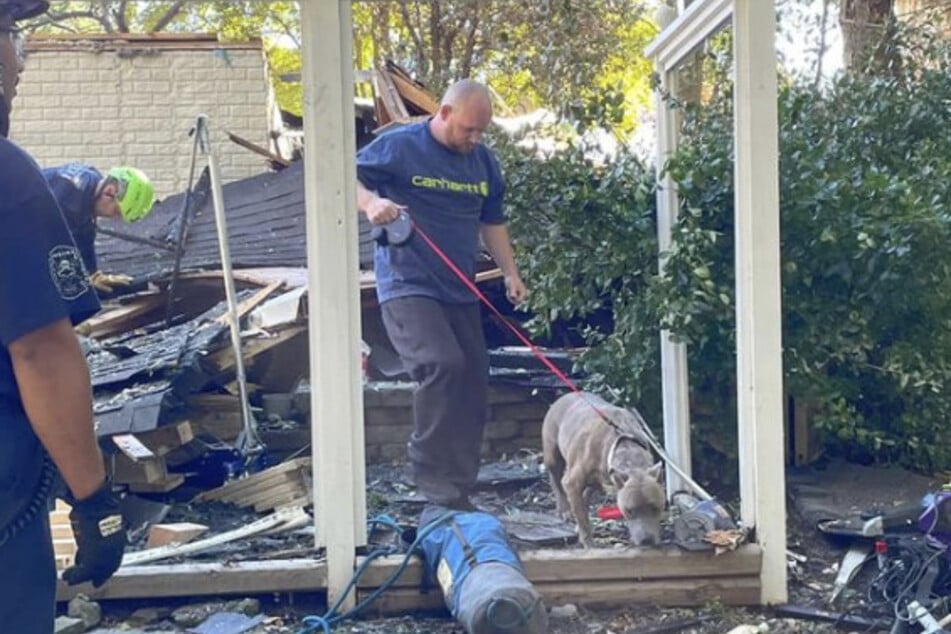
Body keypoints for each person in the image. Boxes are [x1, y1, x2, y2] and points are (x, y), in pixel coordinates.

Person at [0, 3, 125, 631]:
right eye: (11, 34)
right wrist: (93, 497)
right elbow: (41, 352)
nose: (19, 60)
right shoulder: (8, 175)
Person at [356, 79, 527, 509]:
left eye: (481, 132)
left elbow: (493, 222)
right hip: (407, 283)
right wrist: (370, 204)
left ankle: (459, 486)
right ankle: (431, 476)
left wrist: (511, 273)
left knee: (472, 378)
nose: (474, 139)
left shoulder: (482, 163)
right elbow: (344, 174)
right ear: (445, 113)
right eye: (468, 129)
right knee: (440, 364)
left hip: (459, 289)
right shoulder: (400, 147)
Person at [43, 163, 155, 294]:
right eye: (117, 211)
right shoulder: (67, 192)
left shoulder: (89, 188)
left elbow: (84, 233)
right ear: (109, 192)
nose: (114, 218)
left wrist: (93, 273)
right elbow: (51, 240)